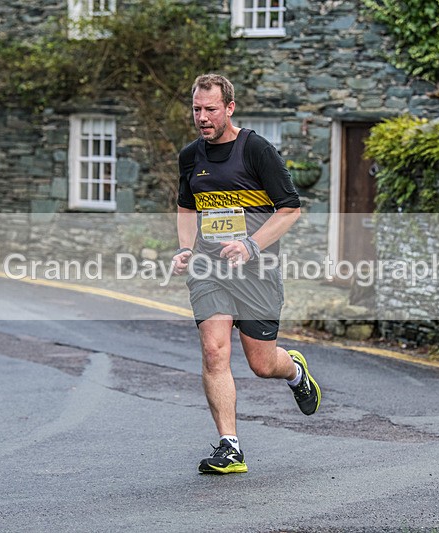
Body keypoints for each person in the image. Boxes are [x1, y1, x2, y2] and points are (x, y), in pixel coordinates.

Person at [173, 73, 321, 475]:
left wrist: (252, 244)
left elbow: (290, 208)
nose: (202, 117)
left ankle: (293, 370)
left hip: (258, 270)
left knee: (261, 363)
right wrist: (186, 248)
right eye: (197, 110)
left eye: (211, 110)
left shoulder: (256, 150)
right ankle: (230, 446)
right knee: (214, 350)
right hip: (209, 268)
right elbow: (187, 207)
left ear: (229, 108)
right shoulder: (191, 157)